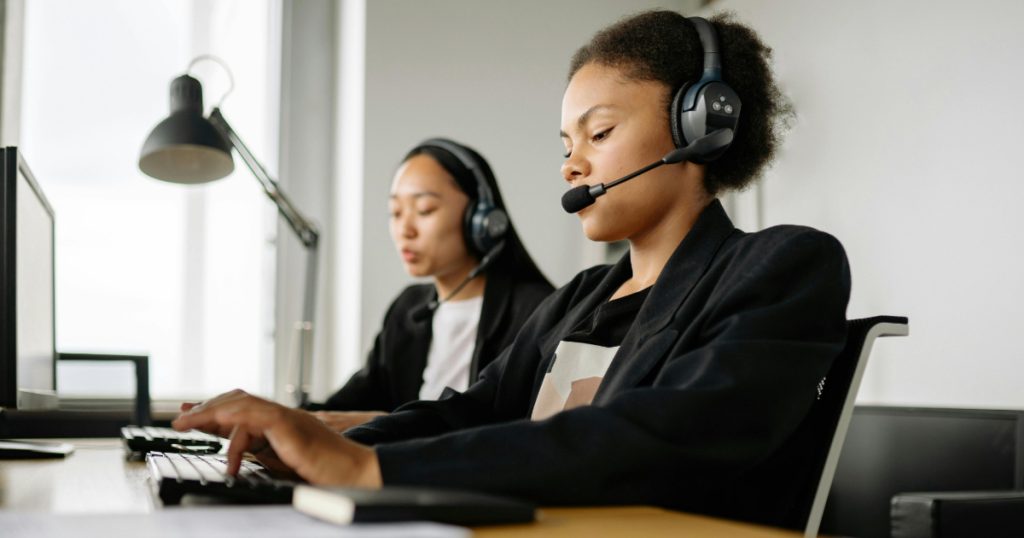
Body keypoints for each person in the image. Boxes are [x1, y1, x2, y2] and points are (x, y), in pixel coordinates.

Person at [174, 11, 851, 528]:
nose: (572, 165)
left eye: (600, 133)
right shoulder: (586, 295)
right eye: (566, 143)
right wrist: (314, 439)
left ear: (701, 125)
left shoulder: (783, 265)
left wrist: (368, 465)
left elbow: (658, 438)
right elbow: (473, 413)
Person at [304, 138, 553, 431]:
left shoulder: (538, 312)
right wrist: (282, 419)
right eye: (395, 212)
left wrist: (386, 424)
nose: (404, 230)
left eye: (424, 210)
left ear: (482, 220)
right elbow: (346, 405)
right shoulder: (409, 308)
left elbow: (514, 432)